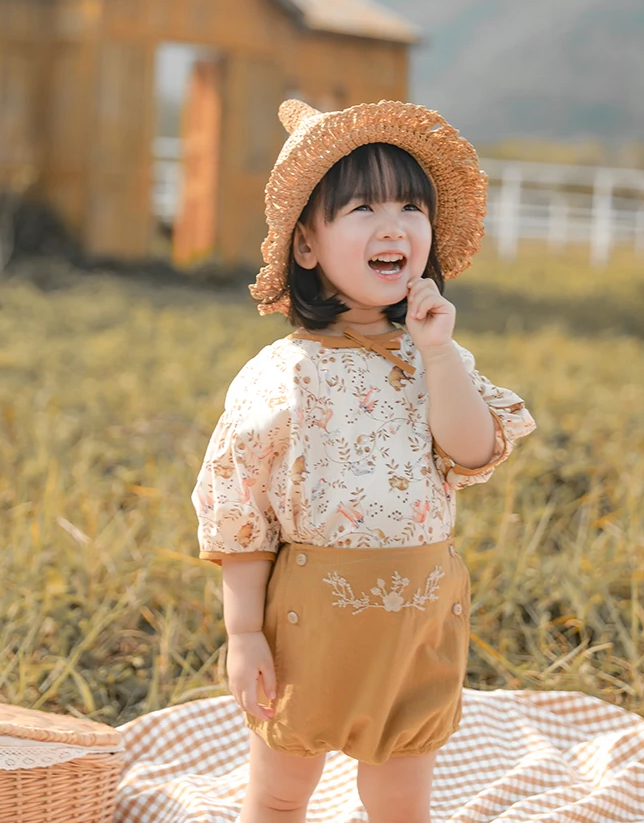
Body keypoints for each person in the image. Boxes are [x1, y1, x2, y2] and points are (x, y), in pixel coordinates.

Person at [191, 98, 536, 823]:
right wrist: (244, 634)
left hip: (417, 620)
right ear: (308, 246)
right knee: (282, 791)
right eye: (362, 208)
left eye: (412, 205)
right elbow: (242, 518)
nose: (394, 224)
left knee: (402, 796)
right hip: (309, 622)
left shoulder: (433, 357)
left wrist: (439, 354)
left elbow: (471, 451)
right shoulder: (283, 372)